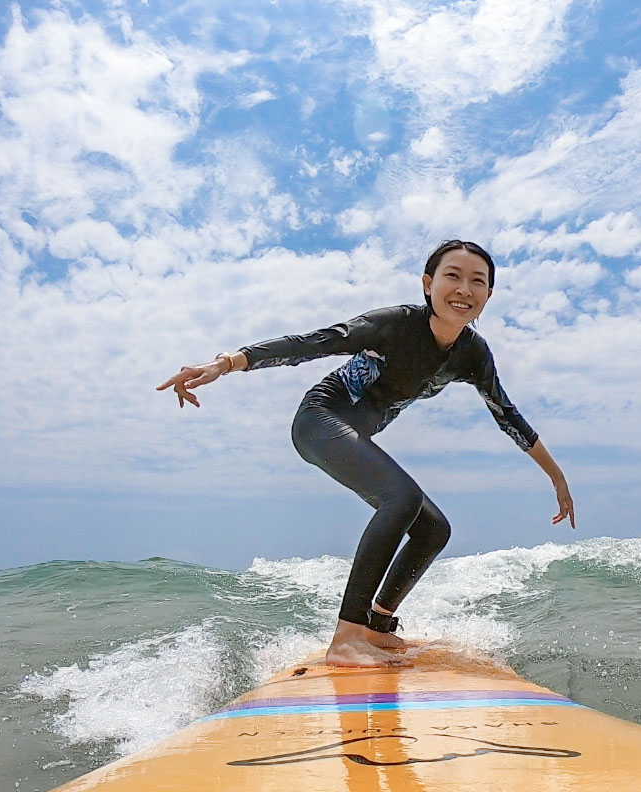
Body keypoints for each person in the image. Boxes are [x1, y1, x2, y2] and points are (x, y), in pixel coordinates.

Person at [158, 240, 575, 668]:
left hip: (353, 434)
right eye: (453, 276)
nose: (464, 289)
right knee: (403, 498)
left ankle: (377, 626)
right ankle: (347, 638)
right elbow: (315, 342)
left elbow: (507, 414)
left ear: (489, 295)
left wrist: (557, 478)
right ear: (428, 284)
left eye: (478, 282)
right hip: (319, 420)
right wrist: (228, 362)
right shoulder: (395, 324)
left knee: (434, 530)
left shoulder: (472, 354)